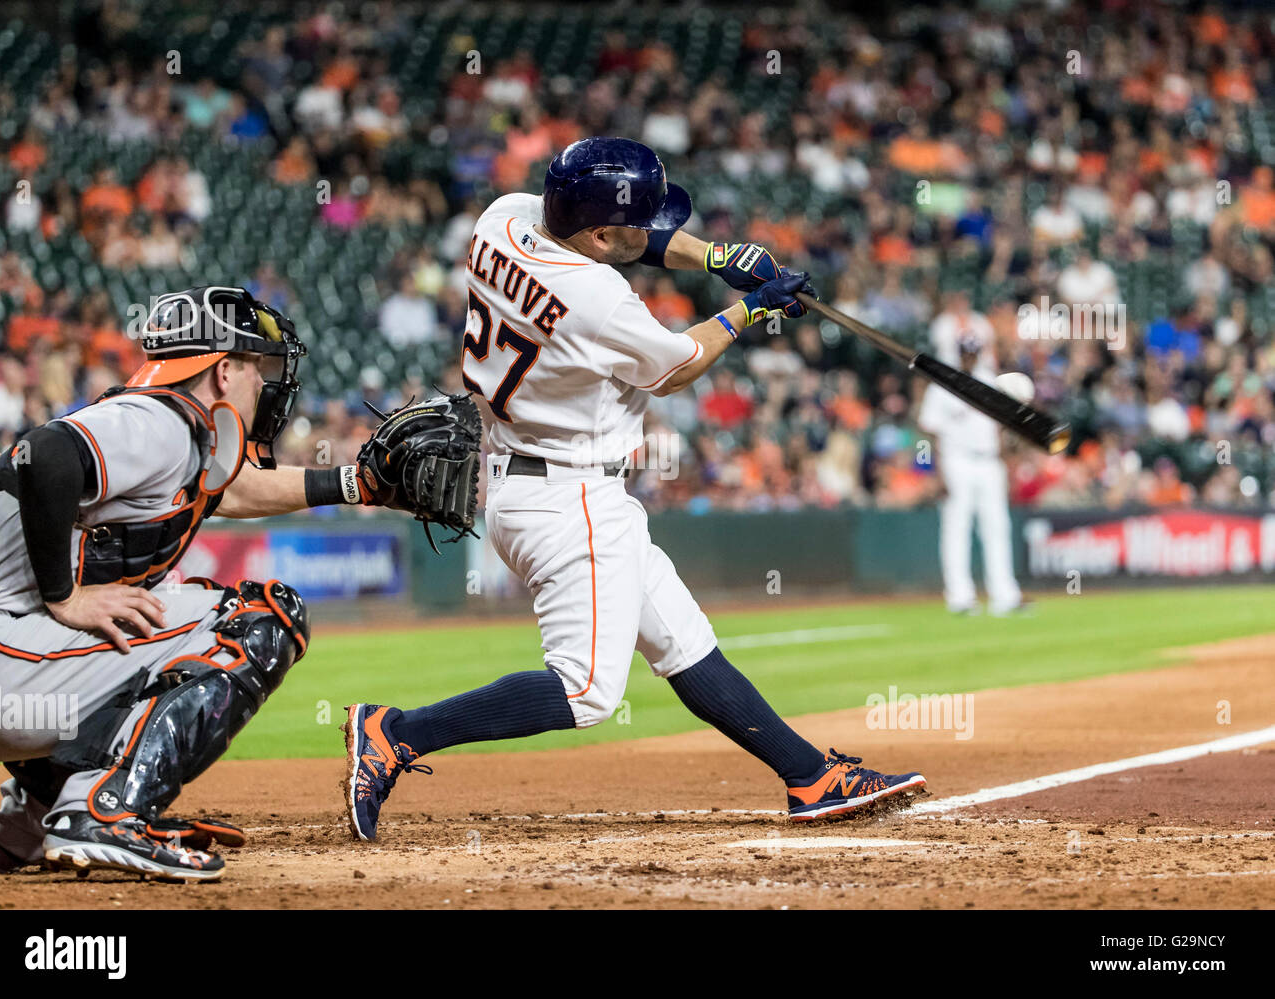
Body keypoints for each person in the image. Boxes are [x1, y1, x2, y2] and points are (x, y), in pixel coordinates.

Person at [343, 137, 928, 841]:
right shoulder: (597, 297)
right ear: (597, 231)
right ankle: (396, 732)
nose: (650, 234)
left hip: (532, 479)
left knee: (684, 642)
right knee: (586, 690)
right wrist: (751, 310)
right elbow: (678, 364)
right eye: (633, 225)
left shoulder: (501, 218)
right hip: (571, 498)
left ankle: (810, 776)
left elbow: (628, 242)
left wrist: (717, 259)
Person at [0, 287, 395, 881]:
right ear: (224, 371)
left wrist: (357, 484)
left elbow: (235, 487)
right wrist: (63, 597)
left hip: (5, 673)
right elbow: (47, 455)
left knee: (161, 607)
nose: (266, 385)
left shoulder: (157, 425)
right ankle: (106, 812)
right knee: (260, 619)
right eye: (258, 368)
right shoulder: (159, 423)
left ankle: (32, 823)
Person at [918, 331, 1026, 616]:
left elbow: (1000, 428)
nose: (970, 356)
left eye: (974, 351)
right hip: (956, 461)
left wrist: (1007, 465)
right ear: (959, 352)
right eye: (966, 351)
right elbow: (928, 434)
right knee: (957, 528)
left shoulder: (991, 381)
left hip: (990, 461)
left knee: (997, 528)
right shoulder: (942, 385)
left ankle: (1005, 596)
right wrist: (933, 471)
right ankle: (960, 597)